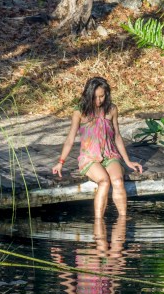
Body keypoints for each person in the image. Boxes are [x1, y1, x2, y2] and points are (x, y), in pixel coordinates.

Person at [52, 76, 144, 218]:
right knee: (104, 181)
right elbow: (70, 139)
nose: (99, 100)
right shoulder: (79, 112)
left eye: (102, 96)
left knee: (118, 181)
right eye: (95, 97)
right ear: (88, 95)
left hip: (110, 155)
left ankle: (122, 221)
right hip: (90, 158)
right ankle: (99, 224)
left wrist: (127, 161)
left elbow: (117, 136)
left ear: (106, 94)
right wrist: (61, 162)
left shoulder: (112, 109)